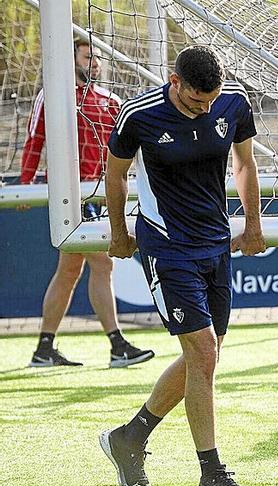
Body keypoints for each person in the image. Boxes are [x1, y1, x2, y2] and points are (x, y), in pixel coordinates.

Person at [99, 46, 266, 486]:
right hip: (167, 246)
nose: (205, 109)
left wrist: (252, 226)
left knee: (206, 359)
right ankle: (212, 475)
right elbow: (114, 175)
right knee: (204, 352)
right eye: (196, 101)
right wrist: (118, 233)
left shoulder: (233, 103)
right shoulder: (139, 114)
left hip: (216, 244)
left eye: (210, 101)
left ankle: (130, 437)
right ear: (175, 82)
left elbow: (245, 164)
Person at [20, 39, 154, 368]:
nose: (95, 63)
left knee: (68, 271)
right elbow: (35, 138)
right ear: (70, 60)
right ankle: (116, 344)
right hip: (72, 195)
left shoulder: (110, 101)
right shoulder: (53, 96)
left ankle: (44, 348)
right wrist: (25, 185)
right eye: (87, 57)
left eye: (98, 59)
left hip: (101, 195)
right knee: (103, 265)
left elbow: (130, 148)